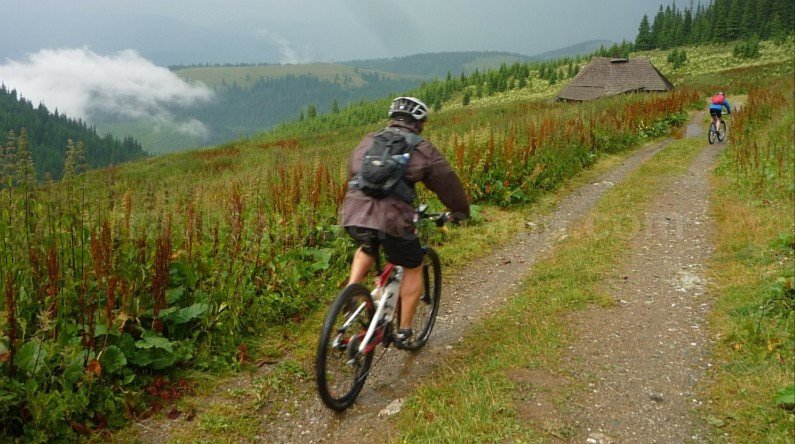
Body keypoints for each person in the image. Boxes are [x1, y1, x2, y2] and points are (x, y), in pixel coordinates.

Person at [339, 96, 470, 348]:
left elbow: (354, 171)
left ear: (392, 119)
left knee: (368, 245)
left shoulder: (369, 140)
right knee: (413, 264)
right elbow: (447, 184)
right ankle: (404, 331)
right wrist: (460, 212)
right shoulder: (422, 148)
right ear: (419, 124)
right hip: (394, 219)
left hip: (354, 211)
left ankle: (351, 291)